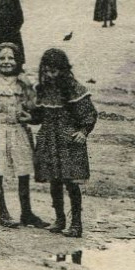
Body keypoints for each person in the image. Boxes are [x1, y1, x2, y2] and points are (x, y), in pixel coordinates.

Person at [0, 43, 47, 229]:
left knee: (23, 172)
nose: (6, 62)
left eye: (11, 58)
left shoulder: (23, 82)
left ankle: (27, 212)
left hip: (19, 130)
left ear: (18, 61)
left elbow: (34, 106)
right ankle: (3, 213)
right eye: (1, 58)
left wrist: (29, 92)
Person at [34, 48, 98, 237]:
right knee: (54, 181)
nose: (49, 75)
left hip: (68, 142)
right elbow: (40, 115)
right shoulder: (44, 89)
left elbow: (89, 114)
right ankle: (59, 218)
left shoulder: (73, 89)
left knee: (71, 183)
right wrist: (28, 116)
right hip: (49, 140)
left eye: (53, 71)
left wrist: (84, 131)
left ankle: (76, 223)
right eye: (45, 71)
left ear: (63, 70)